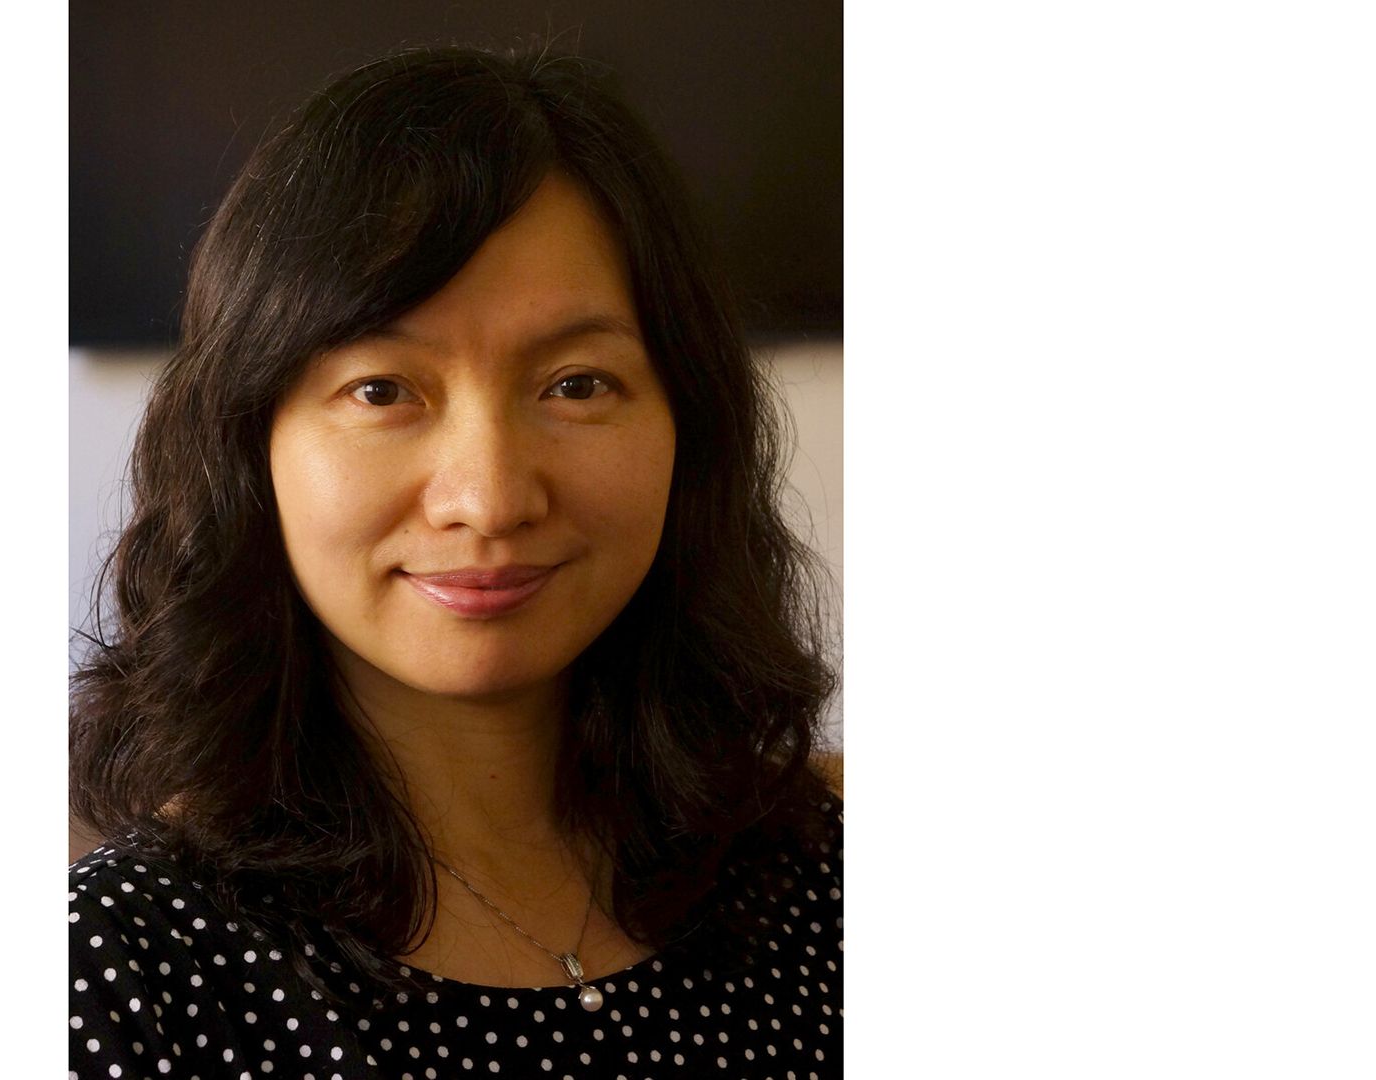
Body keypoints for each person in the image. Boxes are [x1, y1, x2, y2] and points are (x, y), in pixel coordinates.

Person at [69, 43, 842, 1079]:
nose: (489, 498)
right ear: (248, 446)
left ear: (689, 427)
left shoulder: (825, 889)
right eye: (382, 390)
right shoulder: (117, 969)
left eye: (576, 384)